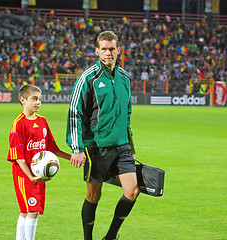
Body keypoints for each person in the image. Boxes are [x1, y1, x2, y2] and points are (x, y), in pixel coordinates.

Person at [66, 31, 139, 240]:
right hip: (96, 147)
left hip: (122, 146)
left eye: (111, 49)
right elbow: (74, 112)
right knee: (94, 195)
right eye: (104, 49)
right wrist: (77, 148)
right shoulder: (88, 78)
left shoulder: (125, 78)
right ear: (97, 51)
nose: (108, 53)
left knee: (132, 191)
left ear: (118, 50)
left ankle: (110, 237)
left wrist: (131, 148)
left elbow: (127, 114)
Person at [7, 84, 71, 240]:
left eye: (40, 100)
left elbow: (52, 149)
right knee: (33, 210)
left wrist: (72, 157)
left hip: (38, 173)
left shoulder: (42, 121)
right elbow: (19, 157)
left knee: (26, 210)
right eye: (34, 99)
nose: (38, 103)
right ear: (23, 100)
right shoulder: (18, 125)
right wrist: (30, 176)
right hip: (25, 174)